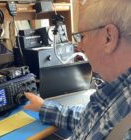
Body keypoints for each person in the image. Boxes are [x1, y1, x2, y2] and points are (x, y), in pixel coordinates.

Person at [24, 0, 131, 139]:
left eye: (82, 36)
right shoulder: (118, 89)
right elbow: (95, 121)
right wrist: (44, 107)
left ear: (108, 38)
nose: (79, 46)